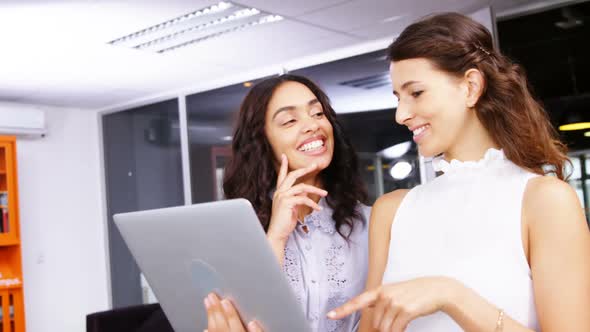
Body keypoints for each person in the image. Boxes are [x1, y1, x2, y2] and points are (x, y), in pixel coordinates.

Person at [328, 12, 590, 331]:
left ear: (470, 86)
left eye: (416, 93)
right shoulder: (391, 211)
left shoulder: (544, 201)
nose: (401, 114)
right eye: (397, 97)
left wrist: (450, 295)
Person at [203, 74, 371, 332]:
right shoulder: (235, 230)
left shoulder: (369, 222)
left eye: (317, 113)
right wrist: (277, 236)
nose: (312, 125)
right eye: (290, 120)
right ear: (262, 142)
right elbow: (243, 317)